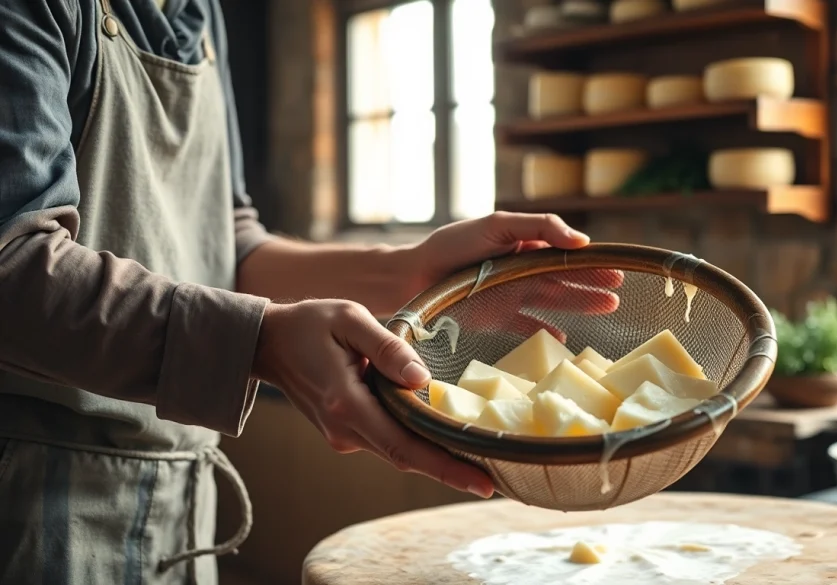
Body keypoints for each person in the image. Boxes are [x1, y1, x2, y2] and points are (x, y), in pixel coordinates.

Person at [0, 0, 622, 583]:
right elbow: (13, 266)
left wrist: (405, 270)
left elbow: (226, 243)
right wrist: (259, 342)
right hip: (33, 508)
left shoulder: (201, 13)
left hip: (181, 510)